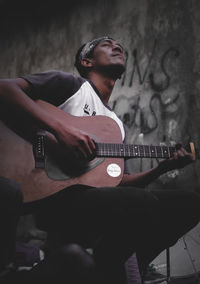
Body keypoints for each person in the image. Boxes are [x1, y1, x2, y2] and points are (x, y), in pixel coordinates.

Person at [0, 36, 200, 283]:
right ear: (86, 61)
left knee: (188, 203)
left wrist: (161, 168)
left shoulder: (115, 126)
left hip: (91, 197)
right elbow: (5, 89)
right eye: (106, 44)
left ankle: (125, 266)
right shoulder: (70, 85)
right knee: (142, 204)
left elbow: (119, 182)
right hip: (55, 198)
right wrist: (61, 130)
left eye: (119, 45)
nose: (116, 46)